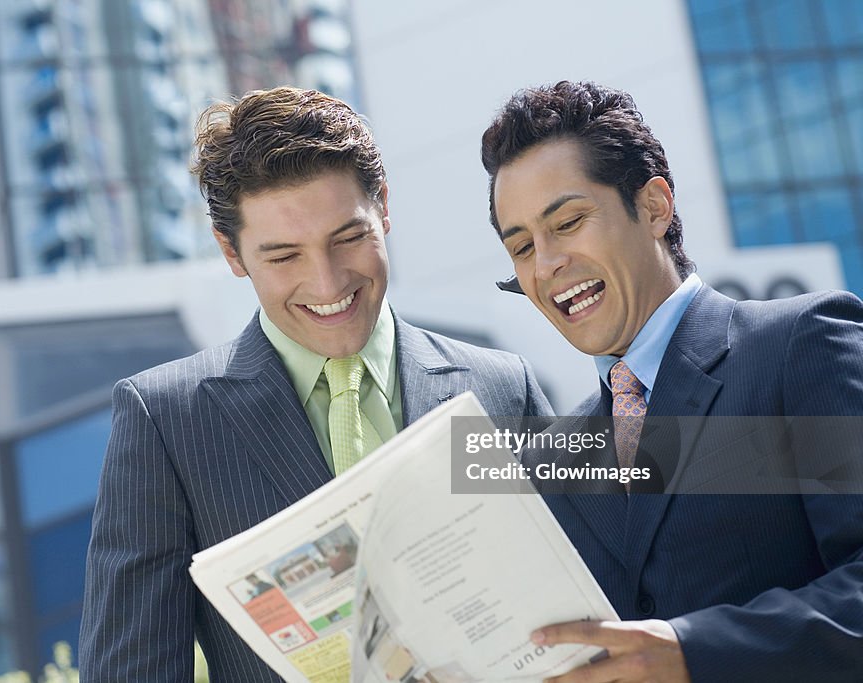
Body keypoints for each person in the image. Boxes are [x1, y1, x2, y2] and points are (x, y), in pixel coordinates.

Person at [78, 86, 551, 682]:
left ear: (383, 207)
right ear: (232, 253)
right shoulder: (167, 422)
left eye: (348, 238)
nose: (327, 284)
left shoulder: (502, 389)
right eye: (284, 257)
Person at [481, 80, 863, 682]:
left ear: (655, 206)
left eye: (569, 222)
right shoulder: (552, 458)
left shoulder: (801, 345)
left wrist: (695, 651)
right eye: (522, 246)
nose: (547, 264)